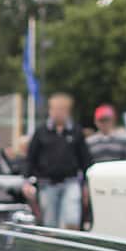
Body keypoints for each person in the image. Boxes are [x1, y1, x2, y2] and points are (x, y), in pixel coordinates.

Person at [24, 93, 90, 229]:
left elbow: (85, 159)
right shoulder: (41, 131)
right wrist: (26, 181)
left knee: (72, 219)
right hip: (47, 184)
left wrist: (86, 185)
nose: (57, 113)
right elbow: (30, 158)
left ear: (67, 111)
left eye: (61, 109)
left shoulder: (76, 131)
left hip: (70, 182)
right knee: (50, 224)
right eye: (54, 109)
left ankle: (71, 246)